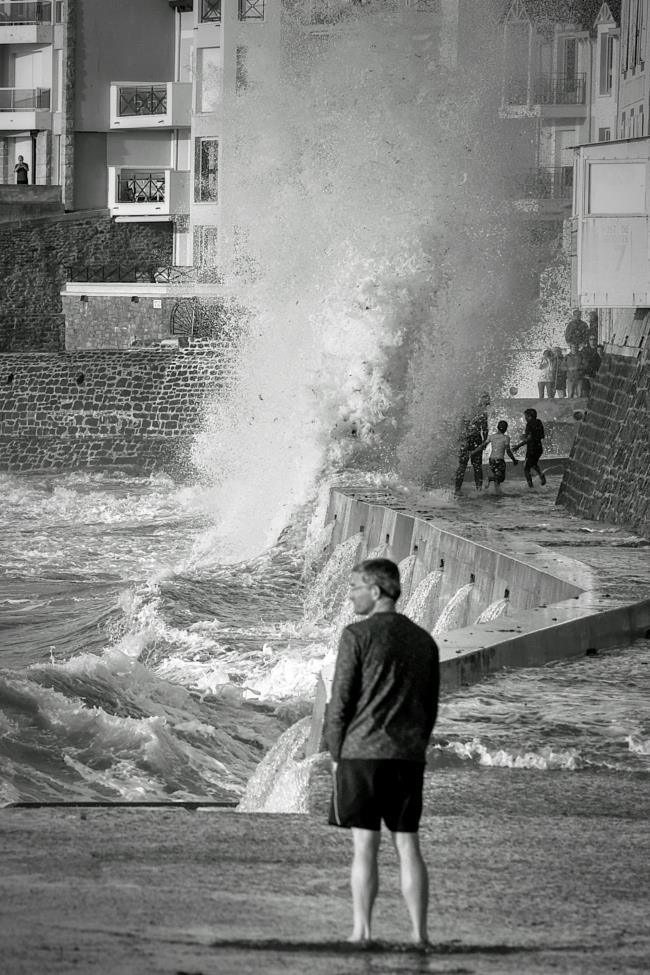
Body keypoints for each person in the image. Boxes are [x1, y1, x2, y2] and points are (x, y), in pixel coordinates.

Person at [325, 558, 440, 946]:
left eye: (356, 586)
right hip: (407, 756)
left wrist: (336, 752)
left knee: (365, 846)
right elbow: (429, 705)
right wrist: (416, 746)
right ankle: (420, 936)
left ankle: (362, 932)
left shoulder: (356, 636)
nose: (351, 594)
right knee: (408, 845)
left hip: (362, 755)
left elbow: (339, 701)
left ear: (376, 592)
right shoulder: (424, 640)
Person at [454, 390, 490, 496]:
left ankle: (457, 490)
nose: (488, 401)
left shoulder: (466, 410)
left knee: (462, 465)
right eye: (486, 398)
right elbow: (485, 429)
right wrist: (484, 442)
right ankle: (478, 490)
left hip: (465, 440)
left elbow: (461, 425)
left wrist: (459, 438)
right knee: (477, 466)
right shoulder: (483, 413)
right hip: (476, 440)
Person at [470, 419, 518, 495]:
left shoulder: (491, 437)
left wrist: (473, 452)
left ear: (497, 427)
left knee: (497, 475)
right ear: (506, 429)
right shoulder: (506, 438)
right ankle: (490, 479)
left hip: (492, 460)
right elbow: (508, 451)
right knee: (501, 478)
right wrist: (514, 459)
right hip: (500, 460)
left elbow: (482, 446)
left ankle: (497, 492)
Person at [513, 407, 546, 488]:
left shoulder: (529, 424)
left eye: (526, 417)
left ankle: (530, 486)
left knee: (526, 468)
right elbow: (541, 435)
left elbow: (529, 438)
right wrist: (527, 436)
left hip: (532, 449)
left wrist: (518, 446)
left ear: (530, 416)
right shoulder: (539, 422)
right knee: (534, 463)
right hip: (539, 448)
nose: (525, 418)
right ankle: (541, 476)